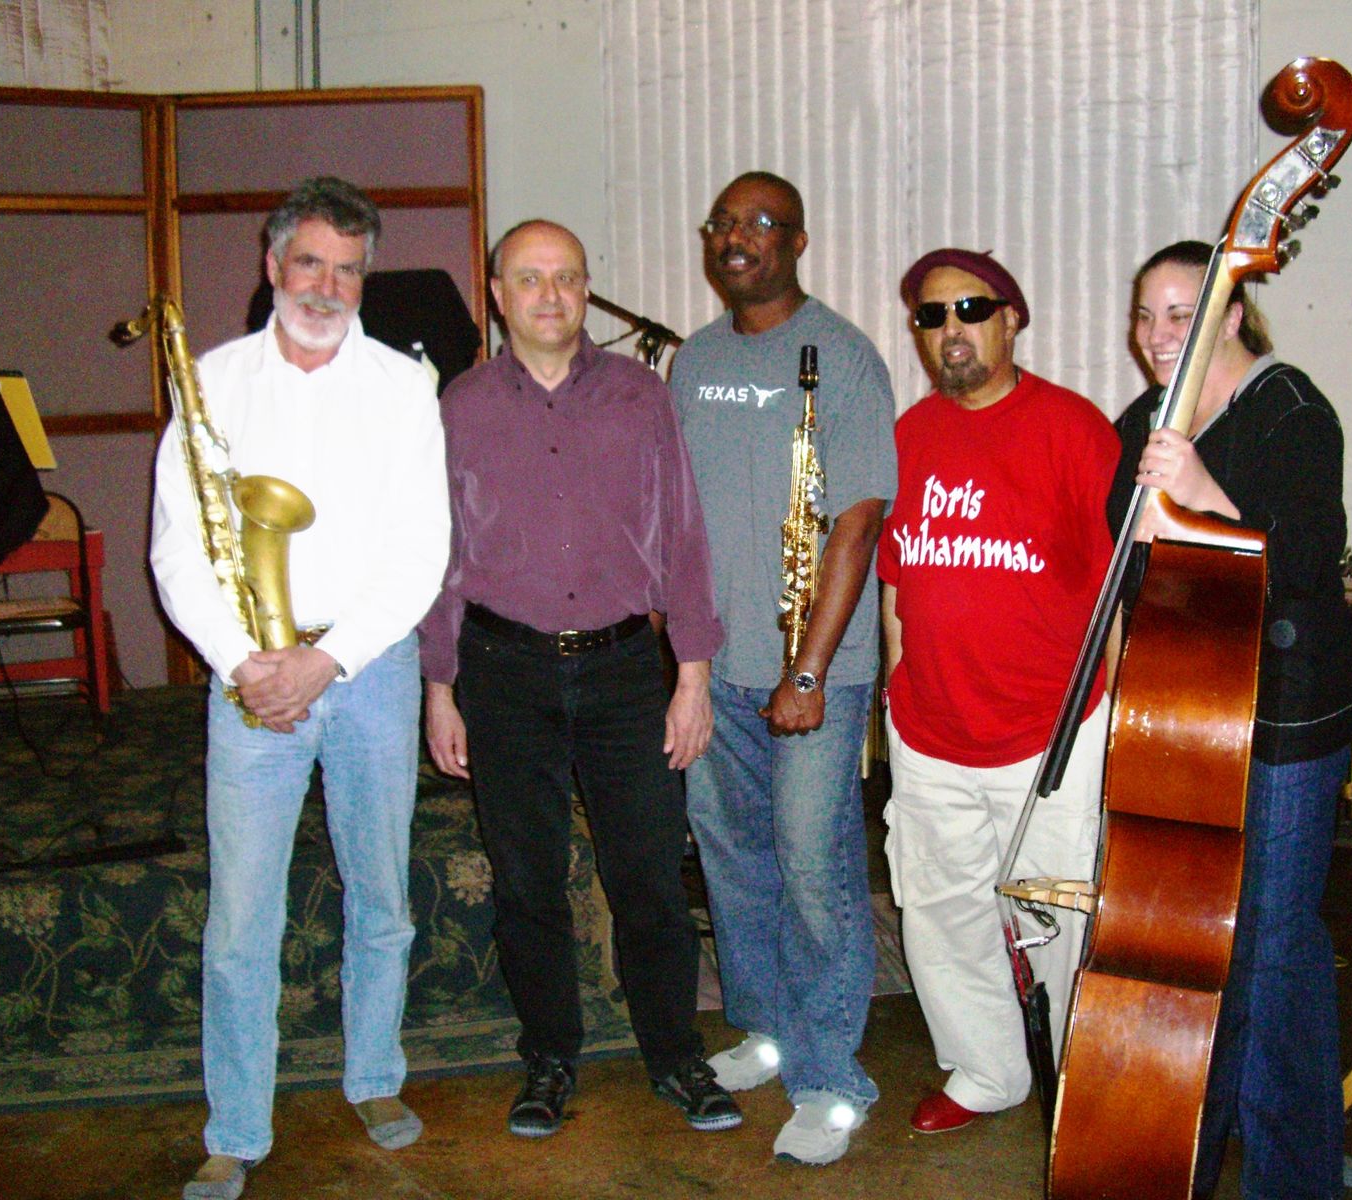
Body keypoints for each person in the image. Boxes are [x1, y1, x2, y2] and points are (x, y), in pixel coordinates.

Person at [150, 176, 451, 1200]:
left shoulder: (404, 386)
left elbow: (421, 550)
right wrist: (245, 662)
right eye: (311, 262)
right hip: (250, 671)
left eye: (348, 269)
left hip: (366, 668)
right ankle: (237, 1126)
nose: (326, 285)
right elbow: (177, 550)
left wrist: (329, 658)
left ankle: (374, 1076)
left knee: (382, 894)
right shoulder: (212, 382)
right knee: (242, 916)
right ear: (274, 263)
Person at [417, 219, 739, 1141]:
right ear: (497, 295)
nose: (550, 295)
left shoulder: (641, 396)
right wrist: (440, 686)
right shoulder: (461, 406)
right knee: (527, 883)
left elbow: (683, 538)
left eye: (566, 277)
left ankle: (675, 1055)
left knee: (649, 879)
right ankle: (550, 1058)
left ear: (587, 288)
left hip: (625, 673)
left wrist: (692, 676)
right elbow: (441, 554)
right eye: (530, 278)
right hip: (502, 672)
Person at [1109, 239, 1352, 1199]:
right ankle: (1194, 1158)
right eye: (1145, 314)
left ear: (1232, 313)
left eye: (1182, 313)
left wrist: (1204, 495)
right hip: (1189, 712)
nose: (1158, 334)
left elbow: (1304, 559)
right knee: (1207, 950)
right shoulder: (1149, 416)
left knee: (1275, 953)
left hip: (1283, 722)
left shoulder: (1290, 410)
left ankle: (1294, 1182)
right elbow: (1125, 557)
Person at [668, 171, 897, 1166]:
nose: (737, 237)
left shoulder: (841, 356)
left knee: (814, 870)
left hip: (813, 677)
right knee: (733, 862)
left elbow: (858, 520)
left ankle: (831, 1076)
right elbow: (676, 509)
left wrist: (806, 673)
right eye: (723, 222)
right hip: (712, 669)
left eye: (760, 223)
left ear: (796, 241)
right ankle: (767, 1029)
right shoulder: (694, 359)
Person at [877, 248, 1119, 1135]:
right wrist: (897, 691)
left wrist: (1114, 722)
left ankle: (1081, 1079)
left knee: (1057, 911)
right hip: (930, 731)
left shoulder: (1074, 429)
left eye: (971, 309)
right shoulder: (909, 435)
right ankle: (986, 1071)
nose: (952, 330)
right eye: (932, 315)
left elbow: (1116, 590)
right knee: (941, 914)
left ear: (1012, 319)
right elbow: (896, 582)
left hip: (1050, 733)